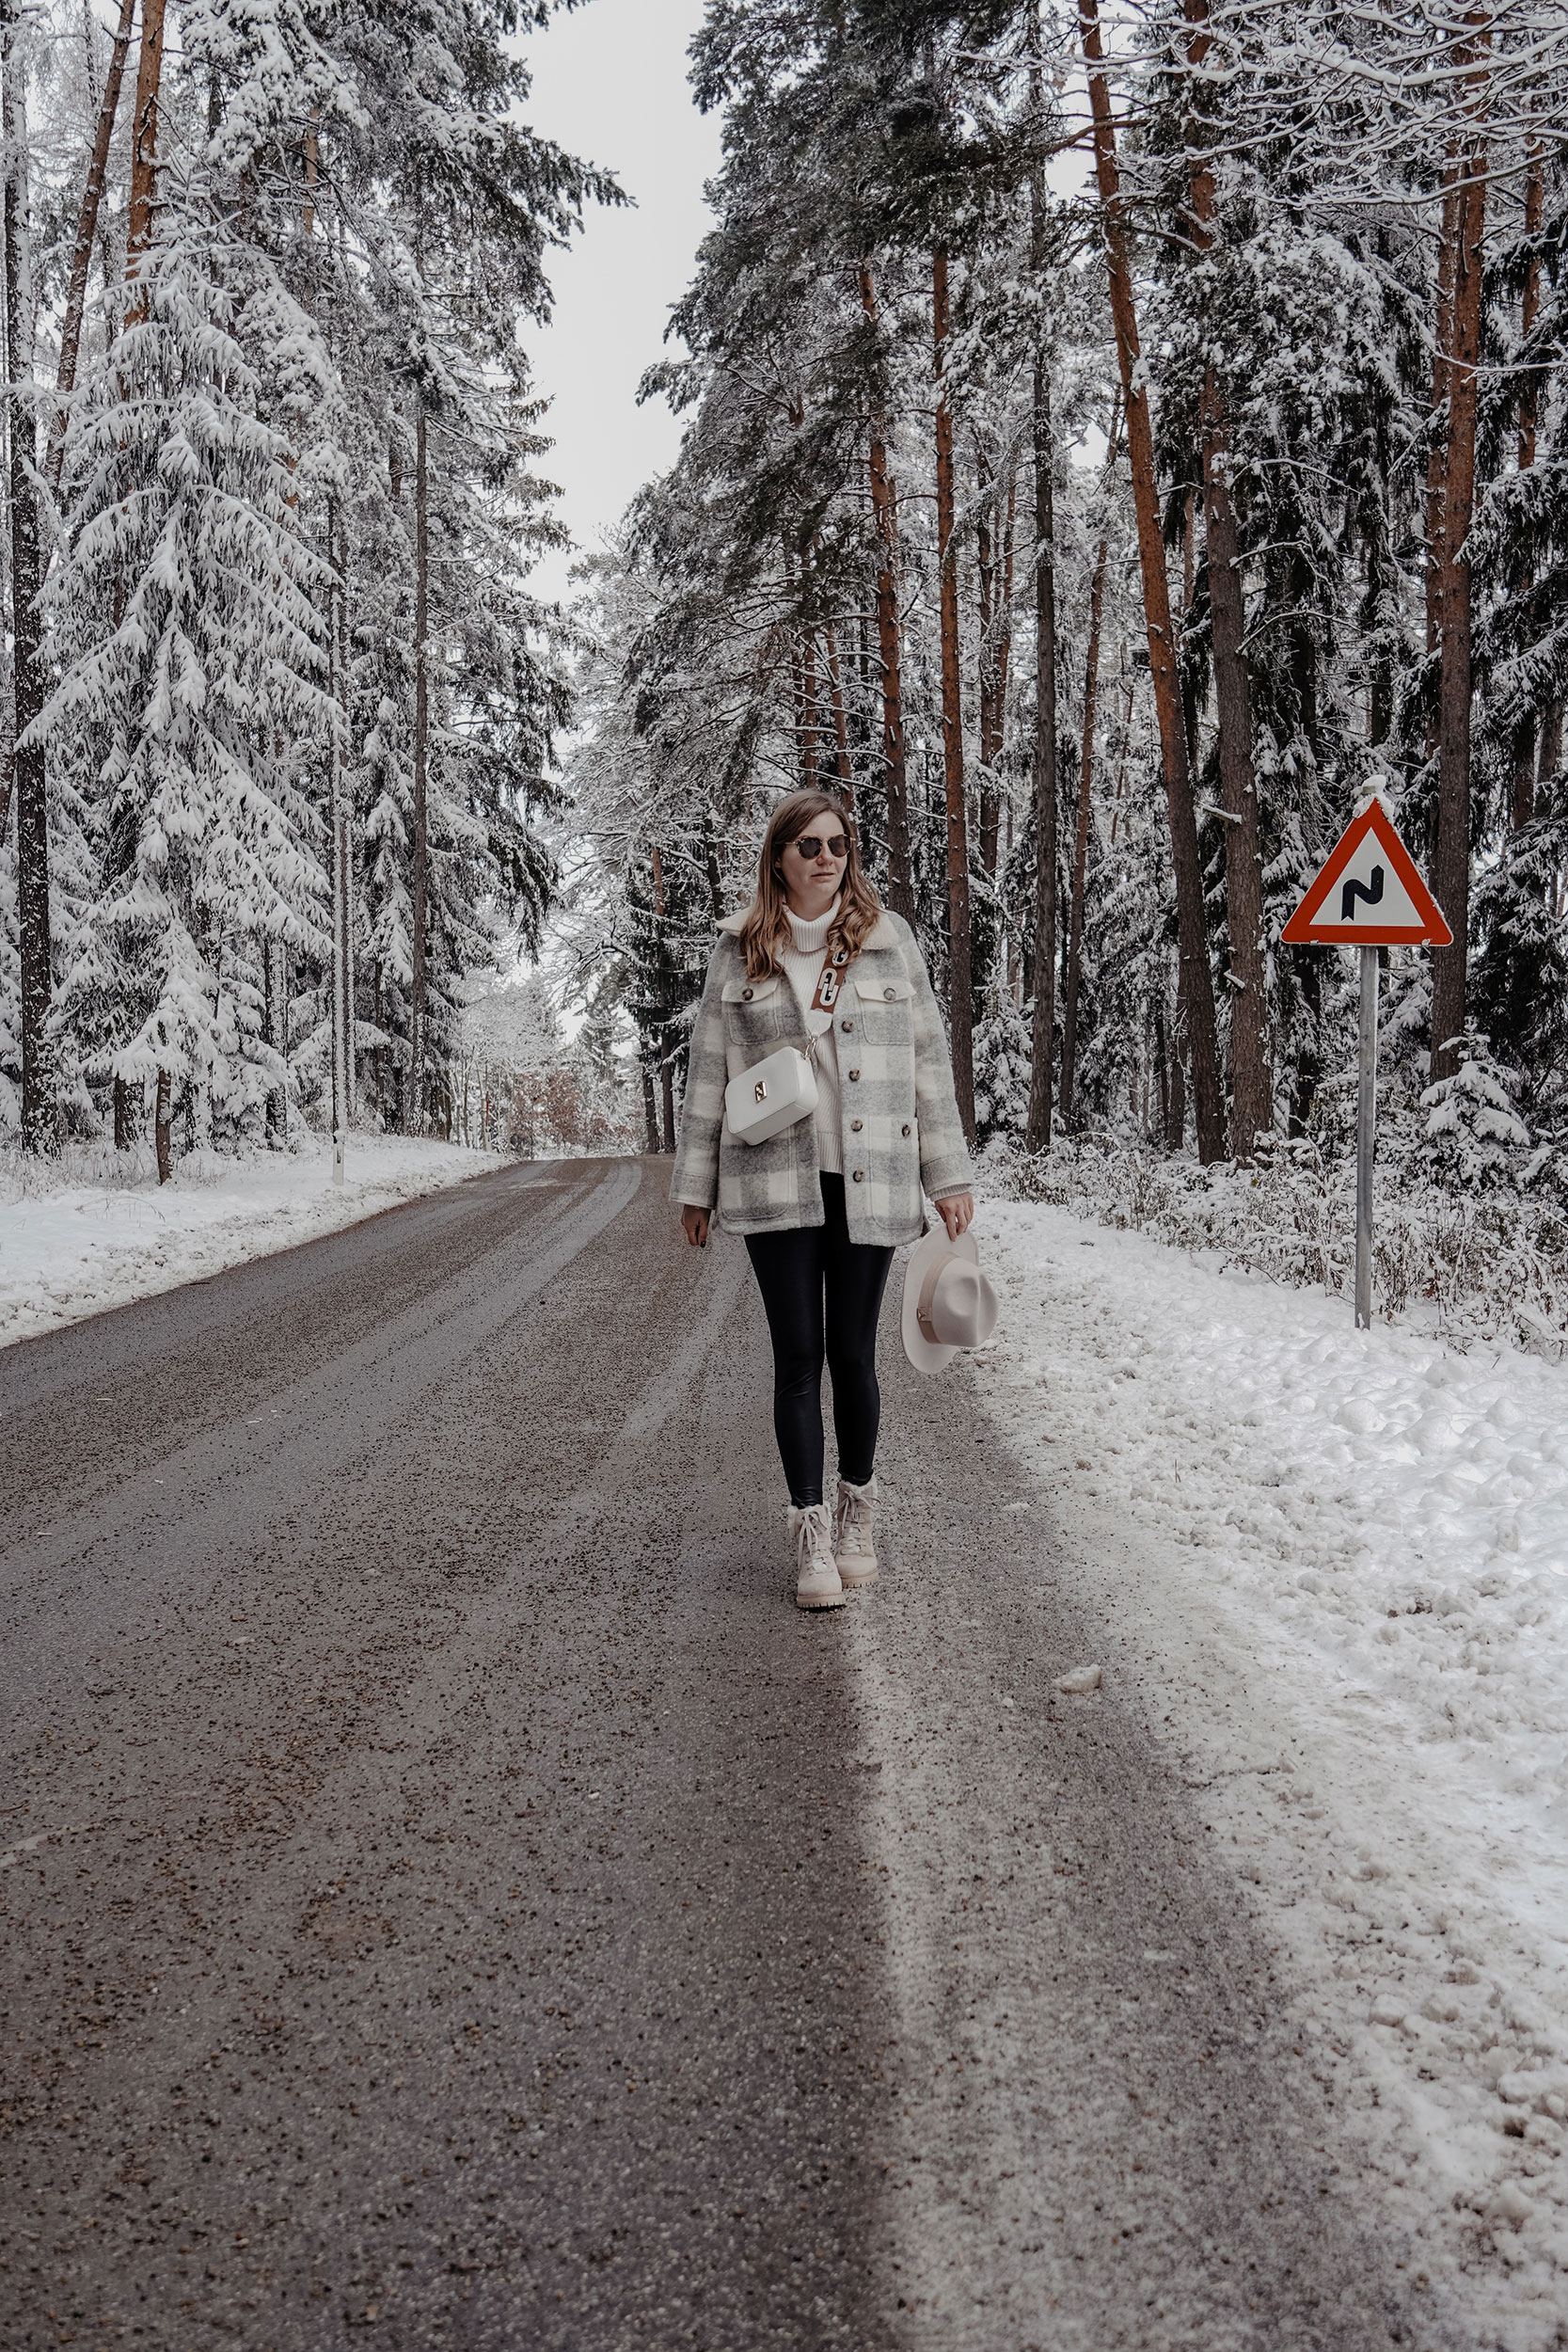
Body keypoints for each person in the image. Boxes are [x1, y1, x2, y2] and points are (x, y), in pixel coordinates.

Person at [671, 788, 974, 1610]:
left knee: (854, 1352)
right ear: (779, 858)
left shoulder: (887, 942)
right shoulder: (738, 952)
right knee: (797, 1356)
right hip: (772, 1178)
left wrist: (948, 1177)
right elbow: (707, 1076)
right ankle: (809, 1535)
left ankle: (856, 1517)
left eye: (837, 843)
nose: (826, 857)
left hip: (871, 1177)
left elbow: (927, 1065)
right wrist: (694, 1187)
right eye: (808, 845)